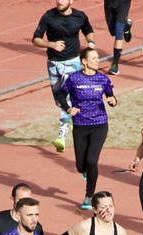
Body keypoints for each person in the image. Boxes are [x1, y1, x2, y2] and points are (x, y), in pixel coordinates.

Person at [32, 0, 96, 153]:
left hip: (73, 63)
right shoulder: (48, 16)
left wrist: (91, 41)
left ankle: (62, 135)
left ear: (71, 1)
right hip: (53, 64)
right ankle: (73, 117)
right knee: (59, 100)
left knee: (66, 97)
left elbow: (88, 29)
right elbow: (35, 39)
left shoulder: (80, 16)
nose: (59, 1)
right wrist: (51, 45)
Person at [59, 47, 117, 210]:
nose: (97, 61)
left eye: (98, 58)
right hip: (80, 125)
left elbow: (111, 95)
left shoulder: (103, 79)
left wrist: (113, 101)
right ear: (84, 62)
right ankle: (85, 171)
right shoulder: (73, 79)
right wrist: (68, 108)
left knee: (92, 161)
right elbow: (61, 95)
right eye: (93, 58)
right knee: (80, 165)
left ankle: (89, 196)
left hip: (100, 124)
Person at [103, 0, 133, 75]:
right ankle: (126, 26)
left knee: (118, 32)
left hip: (123, 3)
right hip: (109, 3)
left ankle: (115, 65)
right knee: (112, 31)